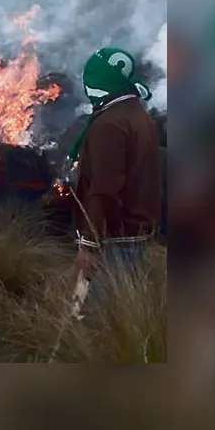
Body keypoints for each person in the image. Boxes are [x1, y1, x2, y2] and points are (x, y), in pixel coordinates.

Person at [66, 47, 161, 300]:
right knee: (121, 303)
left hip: (115, 239)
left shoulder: (109, 124)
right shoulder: (136, 113)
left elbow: (104, 189)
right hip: (137, 231)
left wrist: (90, 245)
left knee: (92, 312)